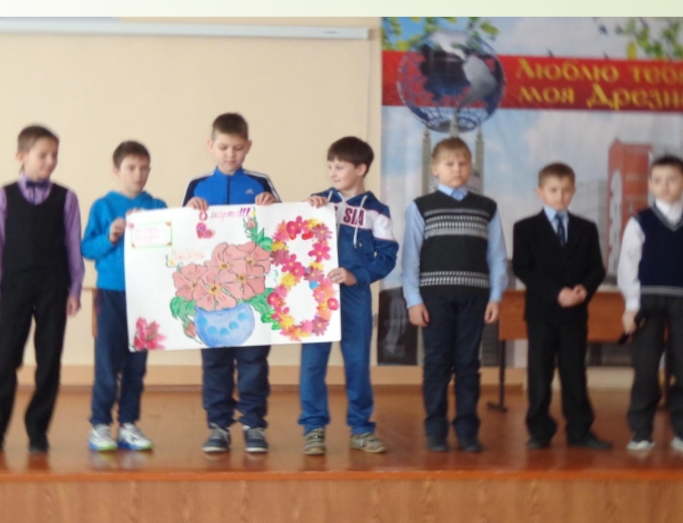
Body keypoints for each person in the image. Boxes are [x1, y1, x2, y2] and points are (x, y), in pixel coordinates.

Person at [0, 125, 84, 454]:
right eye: (43, 155)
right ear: (21, 156)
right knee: (4, 360)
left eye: (55, 155)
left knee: (49, 360)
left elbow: (73, 246)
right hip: (15, 287)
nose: (50, 161)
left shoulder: (67, 198)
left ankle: (38, 430)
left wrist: (75, 289)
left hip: (54, 287)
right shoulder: (3, 195)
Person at [402, 137, 507, 452]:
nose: (457, 169)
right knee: (436, 363)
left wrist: (496, 296)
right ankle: (435, 430)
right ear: (435, 169)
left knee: (468, 364)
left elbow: (497, 257)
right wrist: (413, 300)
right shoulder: (421, 207)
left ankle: (467, 430)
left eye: (463, 163)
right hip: (434, 299)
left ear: (470, 166)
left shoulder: (486, 208)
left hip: (475, 298)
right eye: (449, 163)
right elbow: (410, 258)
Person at [183, 112, 279, 453]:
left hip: (251, 293)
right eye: (223, 147)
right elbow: (183, 239)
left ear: (248, 147)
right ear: (210, 146)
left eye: (237, 148)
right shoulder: (197, 186)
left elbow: (281, 229)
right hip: (211, 296)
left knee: (254, 361)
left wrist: (271, 207)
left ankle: (254, 425)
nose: (230, 154)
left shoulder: (260, 182)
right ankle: (219, 426)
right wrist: (189, 210)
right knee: (215, 362)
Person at [299, 136, 398, 455]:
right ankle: (313, 428)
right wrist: (307, 210)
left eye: (339, 167)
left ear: (361, 169)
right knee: (312, 364)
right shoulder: (319, 203)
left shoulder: (377, 212)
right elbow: (297, 240)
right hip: (318, 296)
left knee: (357, 363)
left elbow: (387, 257)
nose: (332, 173)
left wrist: (358, 276)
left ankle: (361, 428)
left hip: (355, 296)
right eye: (330, 166)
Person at [512, 162, 611, 450]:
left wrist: (584, 289)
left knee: (574, 373)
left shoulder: (586, 228)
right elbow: (523, 267)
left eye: (566, 190)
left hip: (574, 314)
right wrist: (556, 293)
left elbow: (597, 268)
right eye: (554, 190)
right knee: (539, 374)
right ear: (540, 192)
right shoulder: (525, 228)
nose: (560, 196)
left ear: (573, 191)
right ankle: (540, 430)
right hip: (542, 314)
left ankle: (579, 431)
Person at [83, 141, 167, 452]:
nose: (138, 174)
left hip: (146, 295)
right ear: (116, 171)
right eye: (131, 168)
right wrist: (110, 236)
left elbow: (169, 249)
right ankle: (100, 425)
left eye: (144, 168)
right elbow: (86, 248)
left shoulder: (157, 206)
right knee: (107, 361)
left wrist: (151, 229)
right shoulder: (103, 206)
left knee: (136, 364)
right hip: (111, 293)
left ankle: (129, 424)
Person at [618, 154, 683, 452]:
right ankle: (641, 431)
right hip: (647, 302)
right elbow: (628, 265)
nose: (664, 186)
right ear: (650, 184)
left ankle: (681, 430)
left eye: (672, 179)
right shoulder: (640, 221)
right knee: (645, 369)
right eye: (658, 180)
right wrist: (631, 305)